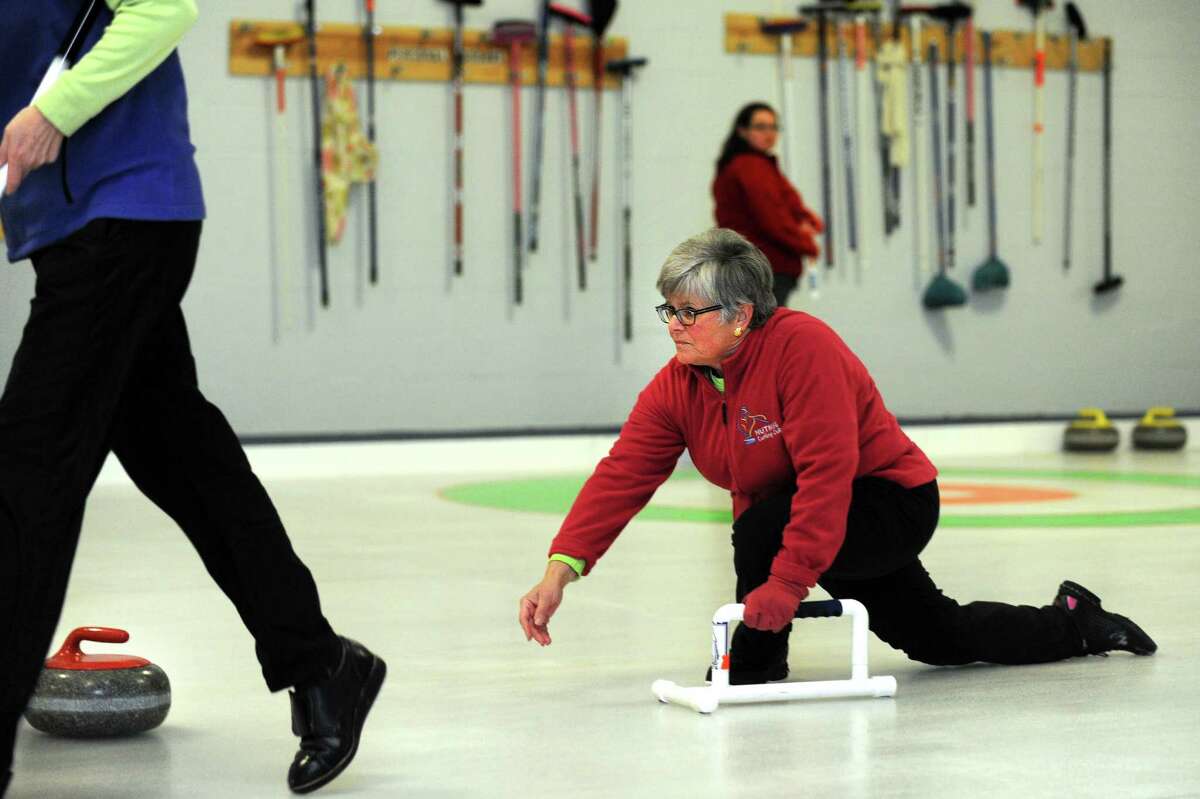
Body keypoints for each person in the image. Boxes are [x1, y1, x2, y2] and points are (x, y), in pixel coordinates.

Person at [0, 2, 384, 795]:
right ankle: (320, 660)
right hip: (68, 224)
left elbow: (166, 5)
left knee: (28, 473)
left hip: (125, 212)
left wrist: (52, 112)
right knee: (183, 458)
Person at [518, 228, 1156, 686]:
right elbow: (623, 474)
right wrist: (560, 569)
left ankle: (754, 665)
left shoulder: (803, 349)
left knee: (761, 529)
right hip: (818, 516)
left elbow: (826, 475)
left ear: (741, 316)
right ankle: (1074, 624)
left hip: (887, 502)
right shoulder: (680, 383)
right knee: (934, 635)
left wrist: (787, 585)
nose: (674, 326)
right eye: (669, 310)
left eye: (690, 312)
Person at [712, 103, 823, 309]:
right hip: (765, 267)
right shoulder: (750, 167)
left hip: (755, 267)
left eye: (773, 127)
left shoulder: (755, 165)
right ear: (743, 131)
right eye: (761, 127)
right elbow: (772, 218)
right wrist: (806, 245)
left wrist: (804, 219)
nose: (769, 133)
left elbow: (781, 207)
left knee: (755, 331)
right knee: (762, 333)